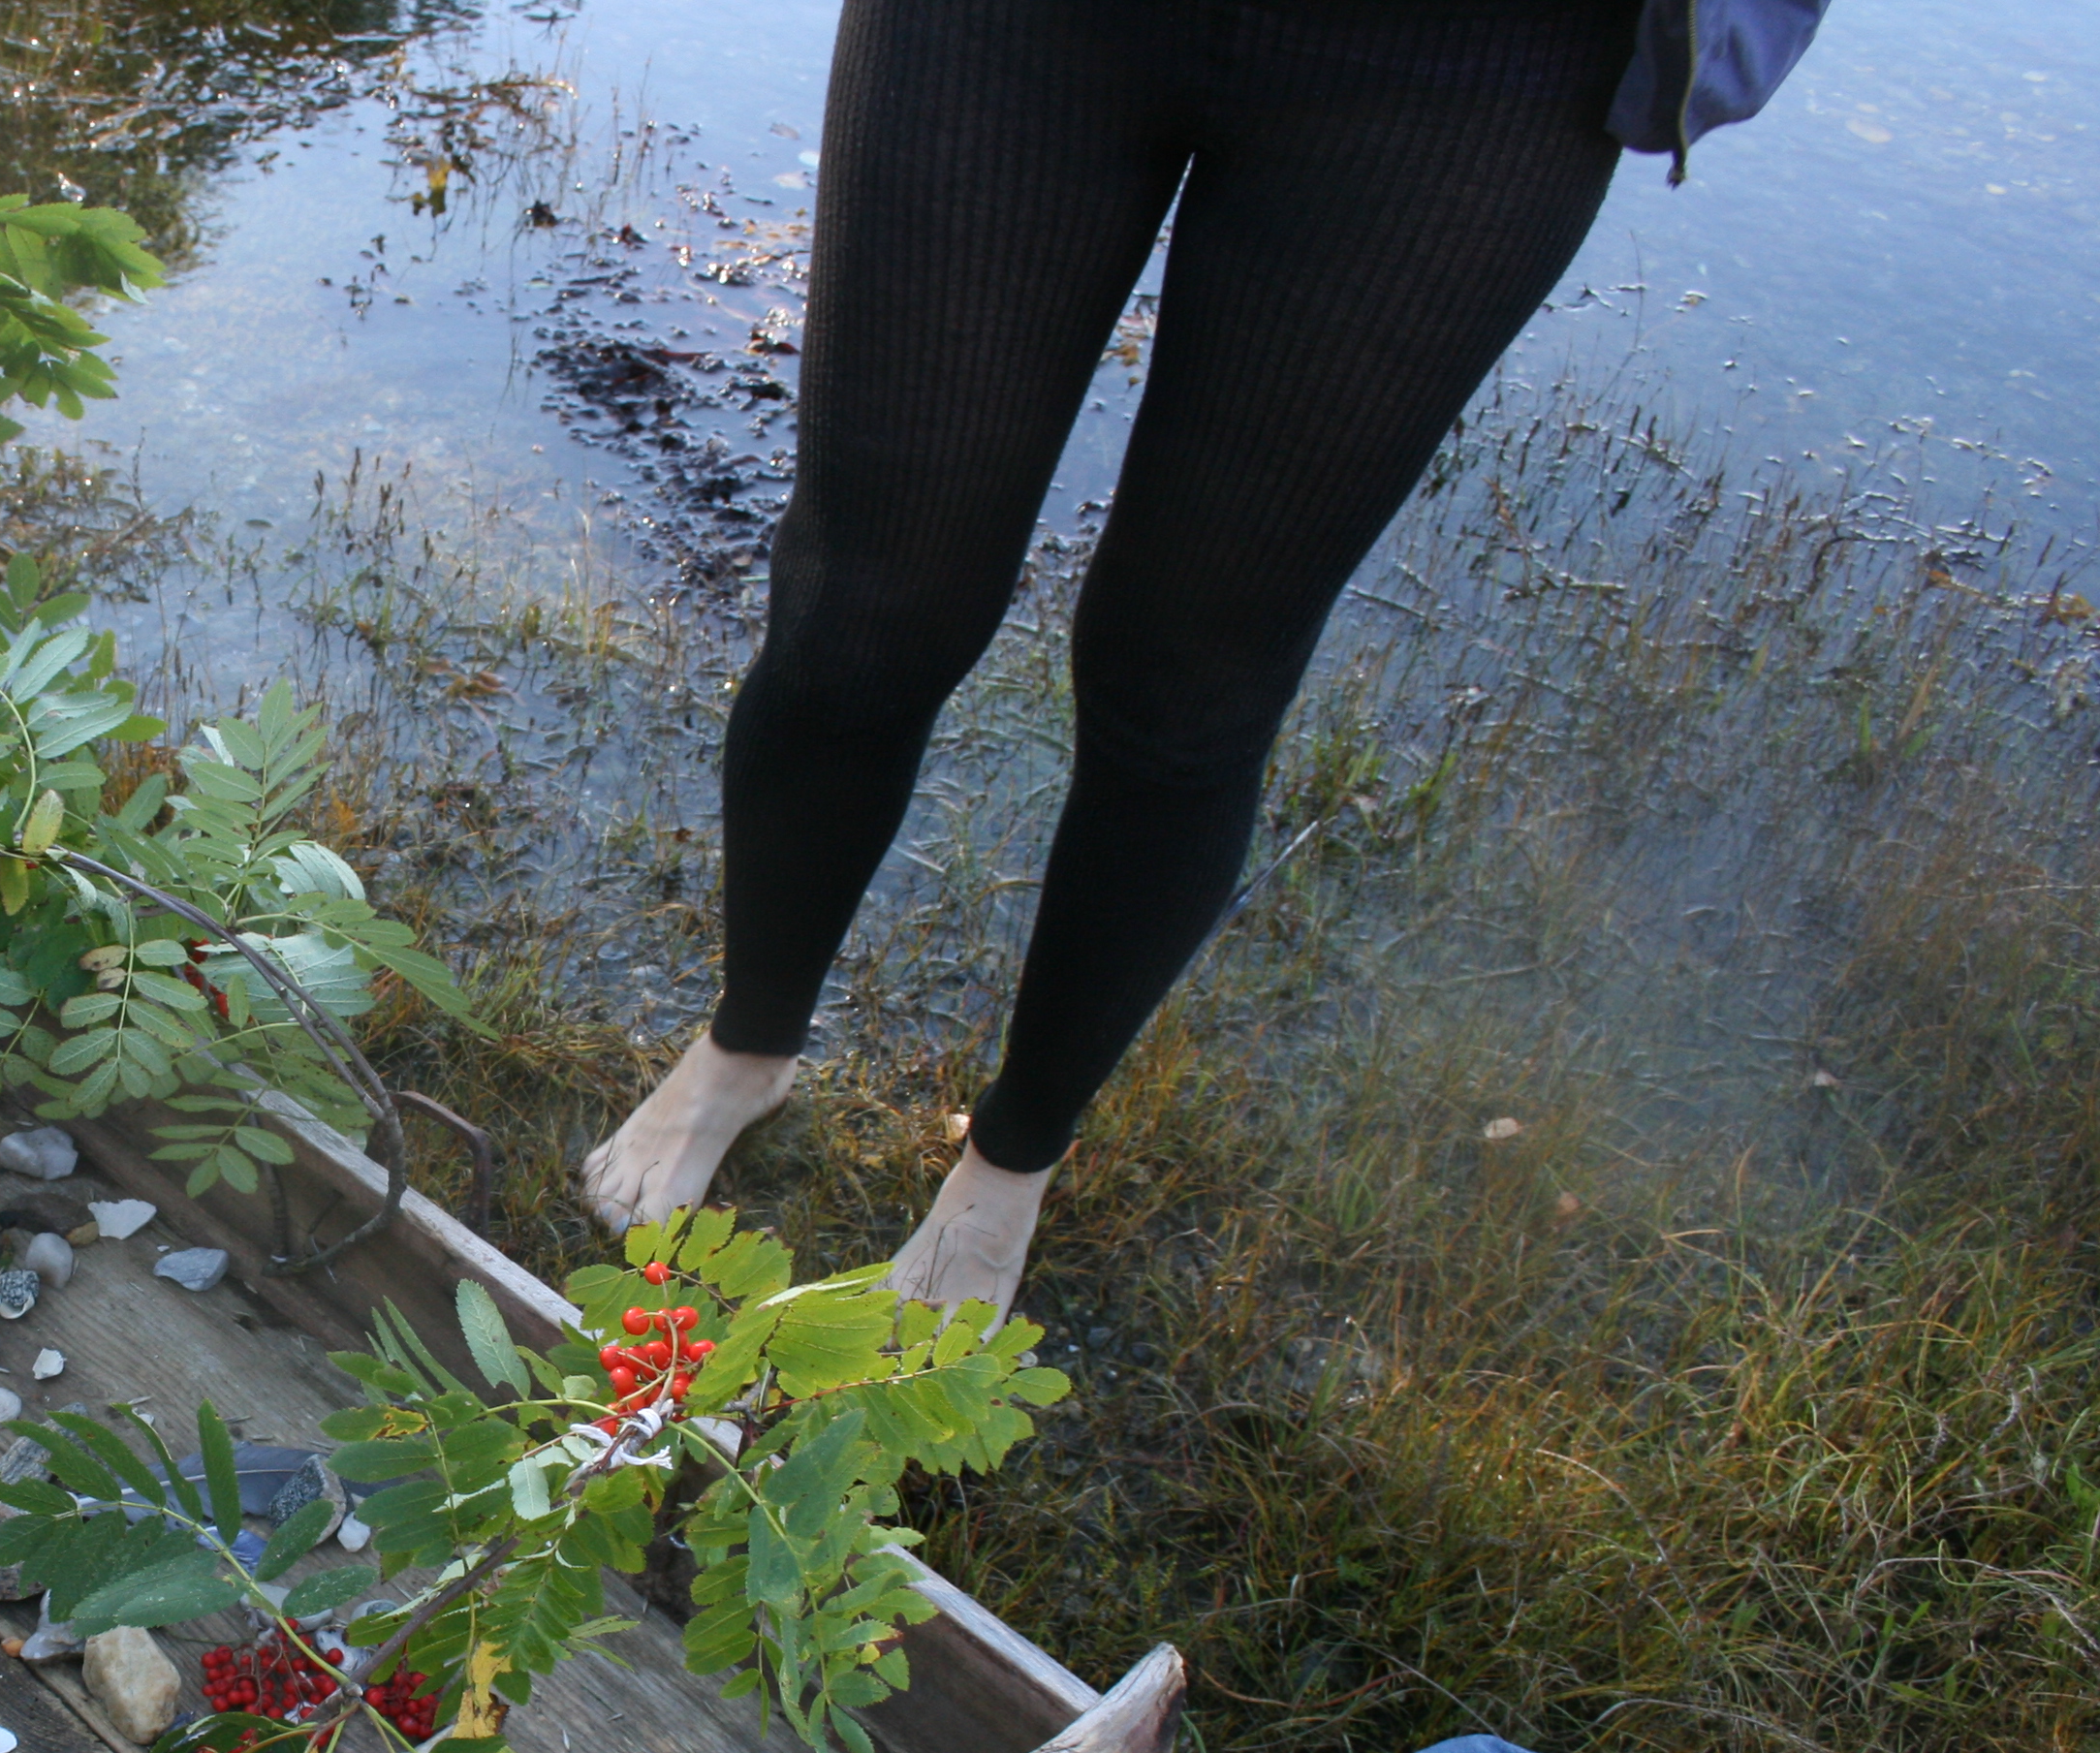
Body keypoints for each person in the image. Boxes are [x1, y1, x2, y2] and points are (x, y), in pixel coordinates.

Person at [583, 0, 1818, 1316]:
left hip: (1480, 64)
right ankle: (748, 1046)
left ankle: (1009, 1165)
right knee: (858, 623)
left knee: (1188, 690)